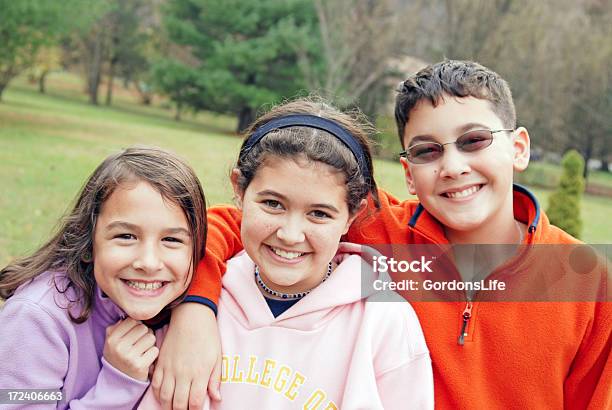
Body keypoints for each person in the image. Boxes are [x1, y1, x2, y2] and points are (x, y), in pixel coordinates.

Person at [157, 61, 610, 409]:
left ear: (518, 147)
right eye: (427, 151)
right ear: (409, 175)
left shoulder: (587, 283)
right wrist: (196, 309)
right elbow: (227, 224)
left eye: (474, 140)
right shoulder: (379, 228)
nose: (453, 166)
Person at [141, 98, 433, 409]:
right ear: (239, 189)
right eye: (272, 204)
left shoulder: (384, 320)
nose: (290, 235)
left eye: (319, 214)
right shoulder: (190, 297)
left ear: (352, 215)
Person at [0, 146, 207, 409]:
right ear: (88, 243)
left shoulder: (182, 308)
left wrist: (197, 317)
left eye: (171, 239)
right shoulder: (36, 319)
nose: (148, 262)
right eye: (126, 236)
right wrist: (119, 382)